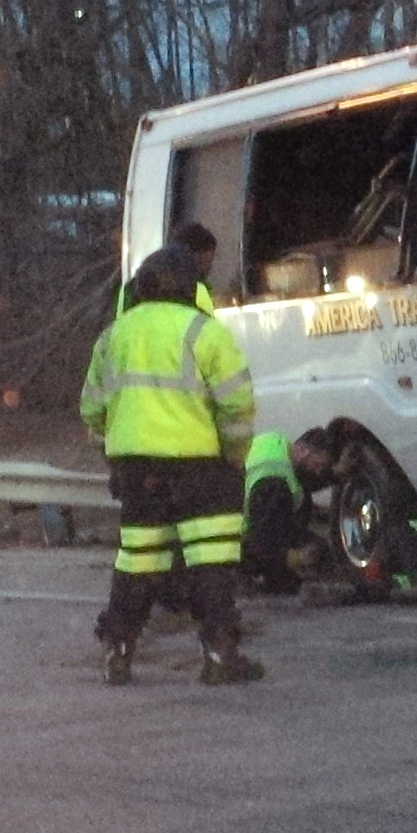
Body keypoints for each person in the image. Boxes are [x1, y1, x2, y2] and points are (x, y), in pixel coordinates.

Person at [81, 243, 265, 686]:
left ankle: (118, 651)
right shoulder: (206, 333)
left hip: (137, 470)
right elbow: (237, 406)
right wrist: (235, 458)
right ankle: (220, 656)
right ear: (193, 287)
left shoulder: (114, 336)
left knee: (139, 560)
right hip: (202, 469)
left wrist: (116, 449)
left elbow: (91, 409)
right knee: (212, 564)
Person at [241, 428, 336, 594]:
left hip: (249, 525)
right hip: (238, 540)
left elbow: (305, 479)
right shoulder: (274, 482)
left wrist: (335, 474)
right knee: (289, 581)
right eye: (317, 465)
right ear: (302, 450)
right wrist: (294, 559)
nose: (318, 472)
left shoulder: (276, 444)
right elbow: (264, 539)